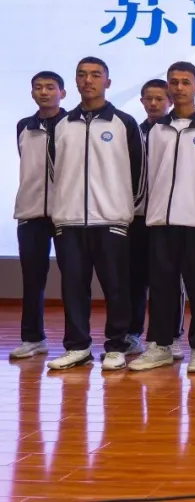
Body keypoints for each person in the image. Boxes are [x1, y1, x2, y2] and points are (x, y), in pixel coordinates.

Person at [46, 57, 145, 371]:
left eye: (95, 75)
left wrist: (122, 210)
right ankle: (77, 346)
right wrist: (64, 205)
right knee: (73, 288)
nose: (88, 80)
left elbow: (139, 174)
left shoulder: (124, 123)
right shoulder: (61, 124)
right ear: (76, 81)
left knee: (117, 287)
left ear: (108, 82)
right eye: (82, 75)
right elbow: (55, 171)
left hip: (112, 220)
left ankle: (116, 346)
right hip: (69, 221)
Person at [128, 61, 195, 374]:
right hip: (159, 221)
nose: (179, 87)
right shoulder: (155, 129)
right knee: (160, 287)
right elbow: (146, 175)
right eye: (174, 81)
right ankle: (160, 345)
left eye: (185, 82)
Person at [10, 72, 67, 360]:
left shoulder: (73, 125)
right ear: (32, 93)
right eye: (38, 88)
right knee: (32, 279)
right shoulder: (24, 126)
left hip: (66, 214)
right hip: (30, 213)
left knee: (74, 279)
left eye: (50, 88)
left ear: (62, 93)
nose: (44, 92)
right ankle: (33, 338)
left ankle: (77, 342)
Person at [124, 79, 171, 360]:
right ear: (141, 101)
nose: (153, 104)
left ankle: (167, 337)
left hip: (166, 217)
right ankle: (132, 334)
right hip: (138, 217)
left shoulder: (175, 132)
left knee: (165, 281)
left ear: (170, 101)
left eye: (159, 99)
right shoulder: (134, 132)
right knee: (135, 278)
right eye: (148, 99)